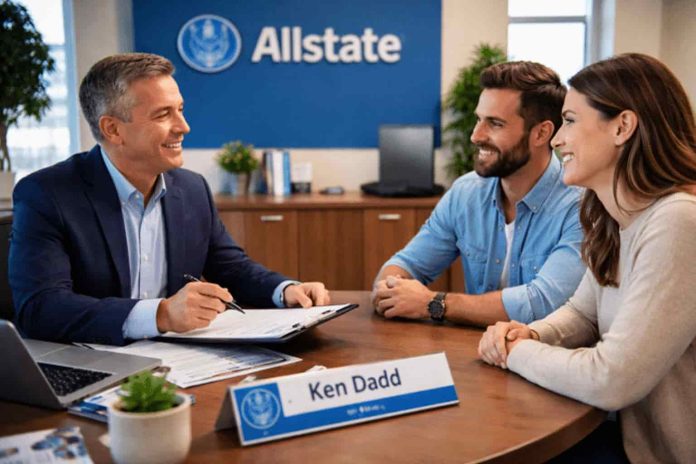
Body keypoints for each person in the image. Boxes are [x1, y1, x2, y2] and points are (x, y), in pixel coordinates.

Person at [9, 53, 330, 346]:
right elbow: (41, 308)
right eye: (163, 115)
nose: (184, 127)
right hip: (89, 360)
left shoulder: (192, 188)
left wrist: (284, 290)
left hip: (176, 359)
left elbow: (231, 268)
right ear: (113, 129)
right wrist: (160, 314)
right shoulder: (47, 193)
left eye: (180, 110)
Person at [478, 53, 696, 463]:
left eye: (570, 121)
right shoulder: (614, 217)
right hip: (619, 437)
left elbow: (612, 379)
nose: (557, 139)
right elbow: (583, 314)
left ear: (622, 127)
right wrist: (531, 335)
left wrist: (516, 353)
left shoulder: (679, 221)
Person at [372, 61, 584, 327]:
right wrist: (390, 288)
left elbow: (543, 303)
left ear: (541, 133)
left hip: (545, 350)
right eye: (478, 120)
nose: (475, 136)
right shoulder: (466, 193)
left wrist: (434, 303)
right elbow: (406, 264)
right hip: (476, 348)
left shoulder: (580, 206)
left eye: (495, 124)